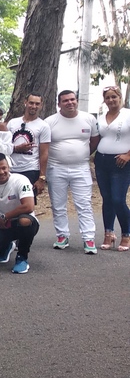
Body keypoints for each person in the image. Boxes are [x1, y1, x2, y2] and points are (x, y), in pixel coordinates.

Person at [44, 90, 99, 253]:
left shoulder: (89, 119)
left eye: (72, 99)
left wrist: (79, 156)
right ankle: (62, 235)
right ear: (59, 104)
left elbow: (94, 141)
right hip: (56, 168)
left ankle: (88, 239)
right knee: (58, 204)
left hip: (81, 168)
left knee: (84, 204)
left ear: (77, 101)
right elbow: (45, 146)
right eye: (65, 101)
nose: (70, 103)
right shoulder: (50, 121)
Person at [94, 85, 130, 251]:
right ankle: (109, 233)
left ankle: (126, 234)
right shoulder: (101, 117)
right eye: (107, 97)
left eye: (114, 97)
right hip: (102, 161)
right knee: (107, 198)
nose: (111, 100)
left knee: (118, 199)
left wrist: (128, 154)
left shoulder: (127, 115)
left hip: (121, 162)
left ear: (120, 97)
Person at [5, 93, 50, 201]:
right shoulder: (12, 123)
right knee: (9, 201)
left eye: (37, 104)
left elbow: (44, 153)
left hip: (30, 169)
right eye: (31, 103)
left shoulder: (43, 126)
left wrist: (42, 178)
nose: (33, 106)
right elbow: (5, 145)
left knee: (26, 203)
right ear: (25, 102)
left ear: (41, 105)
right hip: (11, 169)